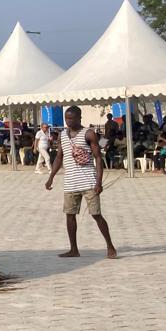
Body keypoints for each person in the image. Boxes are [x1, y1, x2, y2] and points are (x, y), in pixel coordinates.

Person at [45, 105, 116, 259]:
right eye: (66, 118)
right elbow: (59, 157)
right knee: (69, 215)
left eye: (71, 118)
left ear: (79, 118)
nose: (68, 121)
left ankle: (110, 246)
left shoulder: (88, 134)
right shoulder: (62, 135)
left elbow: (98, 158)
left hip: (89, 182)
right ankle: (74, 249)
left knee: (96, 214)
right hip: (70, 182)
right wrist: (51, 176)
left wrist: (99, 182)